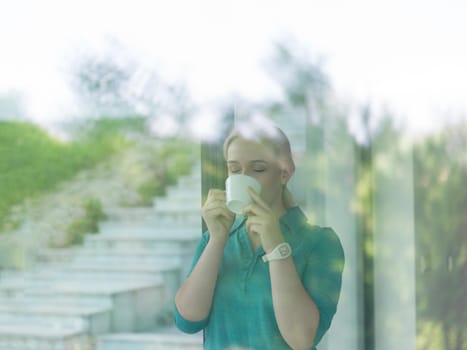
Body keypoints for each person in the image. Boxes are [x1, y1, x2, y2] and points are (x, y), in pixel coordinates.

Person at [174, 121, 345, 350]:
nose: (244, 178)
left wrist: (276, 246)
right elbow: (187, 321)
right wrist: (216, 241)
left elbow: (302, 339)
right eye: (235, 170)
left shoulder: (320, 242)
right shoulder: (216, 238)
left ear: (284, 173)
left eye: (258, 169)